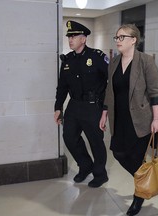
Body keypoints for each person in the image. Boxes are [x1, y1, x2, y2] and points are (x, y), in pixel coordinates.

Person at [99, 24, 158, 216]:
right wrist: (104, 112)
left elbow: (155, 92)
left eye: (121, 37)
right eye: (116, 38)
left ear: (133, 40)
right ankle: (145, 181)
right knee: (118, 152)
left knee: (135, 156)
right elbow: (110, 90)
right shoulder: (114, 62)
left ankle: (138, 196)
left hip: (141, 119)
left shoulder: (146, 61)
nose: (118, 41)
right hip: (120, 118)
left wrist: (157, 119)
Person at [54, 20, 109, 188]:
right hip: (74, 106)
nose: (70, 40)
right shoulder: (68, 60)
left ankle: (100, 174)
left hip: (94, 106)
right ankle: (85, 166)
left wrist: (105, 110)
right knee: (69, 137)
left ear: (83, 39)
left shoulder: (97, 57)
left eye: (74, 36)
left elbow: (109, 84)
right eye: (69, 37)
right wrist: (58, 107)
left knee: (96, 142)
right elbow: (62, 87)